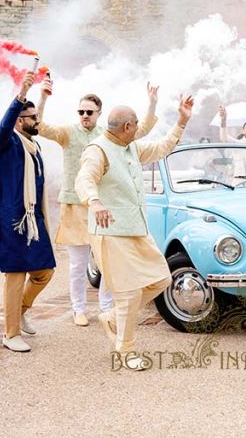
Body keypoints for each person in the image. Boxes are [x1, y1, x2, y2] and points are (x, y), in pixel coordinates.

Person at [76, 94, 195, 370]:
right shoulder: (98, 150)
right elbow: (85, 178)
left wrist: (182, 121)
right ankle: (125, 349)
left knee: (161, 279)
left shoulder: (130, 147)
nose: (139, 128)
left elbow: (162, 147)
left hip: (137, 230)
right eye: (136, 124)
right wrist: (94, 202)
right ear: (127, 127)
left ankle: (115, 317)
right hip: (111, 232)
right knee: (129, 292)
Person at [37, 79, 158, 327]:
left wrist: (152, 104)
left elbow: (140, 129)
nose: (84, 116)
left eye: (89, 112)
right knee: (78, 264)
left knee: (107, 262)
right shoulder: (67, 133)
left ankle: (105, 306)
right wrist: (43, 98)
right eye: (80, 111)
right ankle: (78, 308)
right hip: (74, 205)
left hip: (104, 208)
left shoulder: (108, 134)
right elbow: (39, 126)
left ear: (99, 113)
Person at [0, 72, 56, 352]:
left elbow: (35, 117)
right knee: (15, 276)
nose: (36, 121)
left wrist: (41, 97)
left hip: (34, 220)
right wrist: (22, 92)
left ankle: (21, 310)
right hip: (11, 220)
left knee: (45, 272)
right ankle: (10, 333)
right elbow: (4, 126)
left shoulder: (32, 144)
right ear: (19, 120)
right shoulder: (5, 143)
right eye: (31, 118)